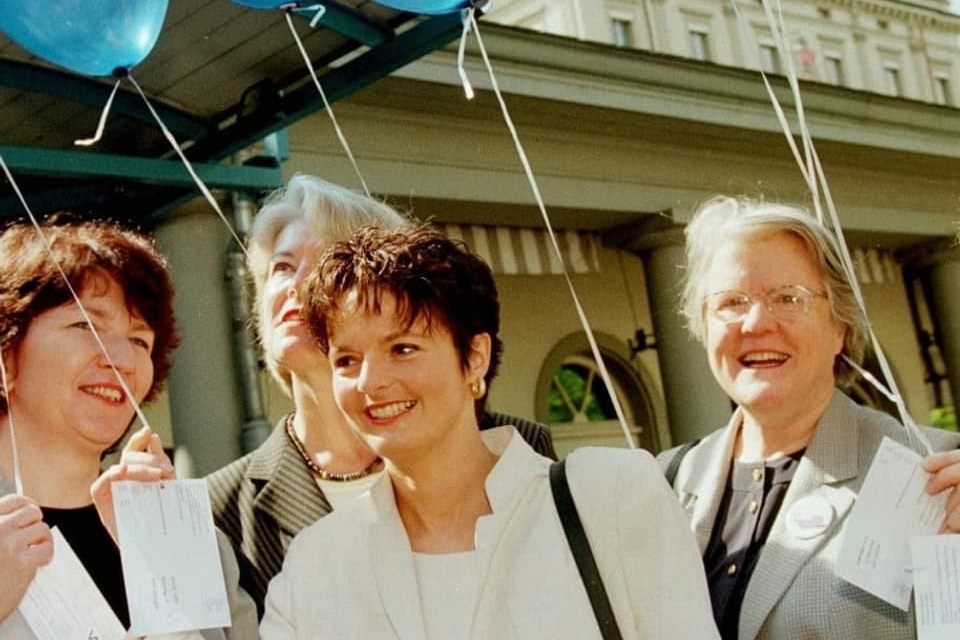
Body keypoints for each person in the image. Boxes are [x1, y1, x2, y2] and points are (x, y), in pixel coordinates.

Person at [260, 225, 721, 639]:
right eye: (346, 360)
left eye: (402, 348)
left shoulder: (611, 496)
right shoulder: (315, 565)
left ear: (475, 358)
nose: (369, 381)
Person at [206, 174, 556, 617]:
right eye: (281, 267)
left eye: (324, 263)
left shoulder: (515, 447)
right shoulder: (221, 506)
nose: (296, 286)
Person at [658, 195, 960, 640]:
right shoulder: (665, 481)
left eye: (788, 297)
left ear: (840, 326)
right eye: (731, 302)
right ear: (703, 326)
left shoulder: (931, 474)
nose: (756, 323)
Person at [0, 216, 256, 639]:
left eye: (140, 340)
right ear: (6, 353)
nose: (121, 359)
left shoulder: (188, 537)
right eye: (87, 325)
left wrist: (159, 570)